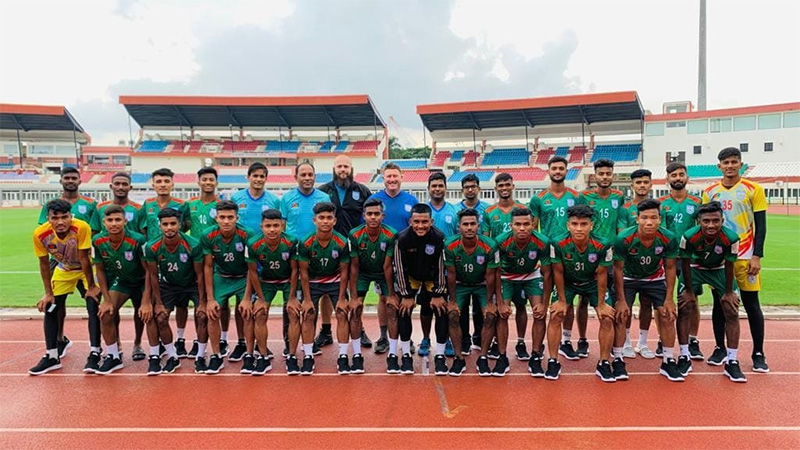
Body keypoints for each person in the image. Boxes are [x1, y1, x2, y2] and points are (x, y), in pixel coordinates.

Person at [702, 147, 768, 373]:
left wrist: (757, 255)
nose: (730, 166)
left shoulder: (754, 189)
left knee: (751, 304)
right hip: (719, 260)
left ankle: (758, 353)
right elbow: (705, 226)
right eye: (726, 162)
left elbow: (761, 226)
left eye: (734, 162)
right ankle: (720, 348)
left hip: (745, 257)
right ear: (719, 166)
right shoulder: (710, 191)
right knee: (720, 304)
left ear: (740, 164)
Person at [546, 205, 624, 382]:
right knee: (556, 315)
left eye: (583, 224)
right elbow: (557, 271)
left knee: (607, 317)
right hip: (567, 283)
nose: (579, 228)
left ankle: (604, 362)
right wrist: (562, 301)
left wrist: (601, 304)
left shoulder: (603, 244)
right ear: (568, 225)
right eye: (575, 224)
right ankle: (553, 361)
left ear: (591, 225)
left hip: (592, 283)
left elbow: (602, 274)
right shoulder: (557, 243)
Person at [36, 167, 100, 367]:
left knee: (93, 303)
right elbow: (43, 263)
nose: (60, 221)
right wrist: (48, 293)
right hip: (63, 265)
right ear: (49, 218)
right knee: (52, 305)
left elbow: (85, 256)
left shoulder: (84, 219)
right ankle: (52, 353)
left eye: (64, 217)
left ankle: (95, 352)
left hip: (86, 264)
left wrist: (92, 286)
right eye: (55, 217)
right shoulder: (41, 231)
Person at [613, 199, 683, 382]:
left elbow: (670, 267)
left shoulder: (668, 237)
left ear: (660, 219)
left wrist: (669, 298)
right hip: (628, 278)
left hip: (654, 278)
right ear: (637, 219)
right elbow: (618, 269)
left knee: (667, 314)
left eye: (653, 218)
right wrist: (621, 299)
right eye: (644, 218)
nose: (649, 222)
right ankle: (618, 359)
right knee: (621, 314)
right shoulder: (624, 238)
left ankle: (668, 360)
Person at [678, 202, 745, 382]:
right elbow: (684, 263)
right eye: (706, 221)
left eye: (716, 221)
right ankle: (684, 356)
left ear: (722, 220)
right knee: (684, 307)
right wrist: (689, 291)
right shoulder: (689, 236)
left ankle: (732, 361)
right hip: (695, 268)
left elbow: (730, 264)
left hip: (719, 269)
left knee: (731, 310)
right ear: (699, 221)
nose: (711, 225)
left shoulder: (731, 238)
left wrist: (729, 292)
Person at [529, 156, 586, 361]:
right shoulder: (538, 199)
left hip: (570, 254)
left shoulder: (576, 196)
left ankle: (566, 341)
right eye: (554, 168)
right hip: (547, 256)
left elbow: (582, 221)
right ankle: (538, 348)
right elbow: (533, 227)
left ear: (566, 171)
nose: (558, 171)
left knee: (567, 301)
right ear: (549, 171)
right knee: (545, 303)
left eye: (561, 168)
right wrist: (536, 254)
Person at [141, 208, 207, 375]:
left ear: (180, 224)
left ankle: (200, 356)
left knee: (202, 315)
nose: (169, 227)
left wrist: (202, 302)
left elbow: (200, 275)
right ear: (160, 225)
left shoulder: (193, 244)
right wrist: (158, 303)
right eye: (165, 224)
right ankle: (172, 356)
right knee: (160, 317)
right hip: (169, 285)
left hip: (192, 284)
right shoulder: (152, 246)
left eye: (173, 223)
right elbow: (153, 276)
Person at [319, 154, 374, 350]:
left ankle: (359, 328)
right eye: (339, 166)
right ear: (334, 169)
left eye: (346, 166)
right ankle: (326, 330)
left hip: (354, 247)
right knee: (326, 289)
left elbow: (369, 218)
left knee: (355, 289)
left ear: (351, 169)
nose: (343, 170)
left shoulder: (363, 191)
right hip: (329, 247)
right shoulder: (323, 191)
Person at [137, 168, 192, 360]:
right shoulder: (147, 204)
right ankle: (159, 344)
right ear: (153, 184)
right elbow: (143, 229)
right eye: (159, 181)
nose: (162, 185)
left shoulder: (182, 205)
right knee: (156, 302)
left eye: (166, 181)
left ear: (172, 184)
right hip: (154, 257)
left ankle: (180, 339)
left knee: (182, 303)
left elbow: (186, 227)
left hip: (175, 256)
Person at [92, 172, 147, 361]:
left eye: (125, 184)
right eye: (117, 183)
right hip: (116, 272)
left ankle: (138, 344)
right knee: (108, 311)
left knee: (142, 311)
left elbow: (143, 234)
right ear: (111, 186)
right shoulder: (100, 209)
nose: (121, 187)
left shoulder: (138, 209)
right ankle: (115, 350)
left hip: (137, 269)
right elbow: (95, 234)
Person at [228, 162, 280, 361]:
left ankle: (260, 343)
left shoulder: (273, 200)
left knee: (261, 302)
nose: (258, 179)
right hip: (241, 255)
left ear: (266, 178)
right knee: (242, 301)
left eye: (262, 176)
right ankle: (242, 342)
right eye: (255, 175)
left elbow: (278, 226)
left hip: (265, 255)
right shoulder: (237, 198)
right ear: (248, 177)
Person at [292, 202, 350, 375]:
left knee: (342, 313)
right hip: (313, 282)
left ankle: (343, 356)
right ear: (314, 220)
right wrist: (307, 299)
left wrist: (342, 298)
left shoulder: (342, 242)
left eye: (329, 218)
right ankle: (308, 356)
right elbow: (303, 272)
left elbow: (345, 272)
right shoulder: (306, 242)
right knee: (308, 314)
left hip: (335, 280)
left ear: (334, 220)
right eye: (321, 218)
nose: (325, 221)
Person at [367, 162, 419, 354]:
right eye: (388, 176)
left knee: (406, 296)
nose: (392, 179)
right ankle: (384, 336)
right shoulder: (374, 200)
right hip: (382, 257)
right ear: (383, 178)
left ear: (401, 177)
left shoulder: (411, 200)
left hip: (406, 257)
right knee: (383, 297)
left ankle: (406, 335)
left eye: (395, 176)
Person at [280, 162, 333, 352]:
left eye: (310, 174)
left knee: (313, 298)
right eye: (303, 174)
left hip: (316, 256)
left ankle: (310, 341)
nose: (307, 178)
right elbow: (282, 228)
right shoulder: (287, 199)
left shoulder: (324, 197)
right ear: (296, 177)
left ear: (315, 176)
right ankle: (289, 341)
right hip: (294, 256)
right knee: (291, 299)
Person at [391, 203, 447, 375]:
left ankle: (440, 355)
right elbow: (399, 267)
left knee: (441, 309)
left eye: (424, 222)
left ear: (431, 222)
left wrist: (438, 293)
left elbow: (441, 267)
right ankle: (406, 355)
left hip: (431, 277)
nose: (420, 226)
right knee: (403, 310)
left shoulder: (439, 237)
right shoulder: (402, 238)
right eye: (416, 222)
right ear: (410, 221)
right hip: (411, 276)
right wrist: (406, 295)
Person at [495, 208, 552, 377]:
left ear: (533, 224)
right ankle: (502, 357)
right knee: (502, 314)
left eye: (526, 224)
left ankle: (535, 357)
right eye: (518, 224)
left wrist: (545, 304)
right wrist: (500, 302)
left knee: (539, 314)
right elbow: (495, 272)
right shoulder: (501, 241)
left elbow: (547, 273)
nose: (522, 228)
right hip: (506, 276)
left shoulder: (542, 242)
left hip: (531, 276)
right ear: (511, 225)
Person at [202, 201, 256, 374]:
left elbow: (252, 268)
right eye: (222, 217)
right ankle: (216, 356)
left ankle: (249, 354)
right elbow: (208, 266)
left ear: (237, 218)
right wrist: (210, 299)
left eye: (230, 217)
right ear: (216, 218)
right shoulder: (208, 235)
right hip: (221, 277)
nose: (226, 221)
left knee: (247, 312)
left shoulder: (247, 234)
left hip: (243, 277)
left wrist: (247, 298)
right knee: (212, 312)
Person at [444, 209, 500, 376]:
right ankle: (459, 358)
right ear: (459, 226)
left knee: (490, 315)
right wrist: (452, 300)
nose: (469, 227)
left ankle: (482, 357)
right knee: (452, 314)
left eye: (472, 224)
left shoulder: (490, 245)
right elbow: (451, 274)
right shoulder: (450, 245)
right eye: (465, 224)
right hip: (460, 284)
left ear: (478, 226)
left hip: (482, 284)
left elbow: (491, 276)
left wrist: (490, 302)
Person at [581, 159, 627, 357]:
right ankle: (582, 339)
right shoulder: (584, 197)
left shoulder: (619, 196)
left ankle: (616, 347)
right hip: (591, 256)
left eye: (608, 173)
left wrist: (620, 249)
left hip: (613, 258)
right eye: (601, 173)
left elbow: (620, 224)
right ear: (595, 176)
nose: (605, 177)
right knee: (583, 300)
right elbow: (581, 222)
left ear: (613, 175)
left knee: (613, 300)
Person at [246, 209, 299, 376]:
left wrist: (292, 297)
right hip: (266, 282)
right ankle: (262, 357)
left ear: (282, 226)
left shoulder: (292, 242)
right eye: (268, 226)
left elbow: (295, 270)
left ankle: (291, 356)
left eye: (276, 225)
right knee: (259, 313)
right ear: (261, 226)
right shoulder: (253, 243)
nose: (272, 229)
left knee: (294, 313)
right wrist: (261, 299)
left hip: (287, 281)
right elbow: (252, 272)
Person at [482, 172, 530, 359]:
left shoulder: (522, 209)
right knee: (499, 307)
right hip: (499, 269)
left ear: (513, 186)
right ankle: (497, 342)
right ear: (496, 188)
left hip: (522, 268)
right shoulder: (489, 212)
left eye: (507, 184)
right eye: (500, 185)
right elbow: (486, 240)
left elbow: (530, 234)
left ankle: (521, 342)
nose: (504, 188)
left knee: (521, 306)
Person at [659, 162, 703, 360]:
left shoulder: (697, 201)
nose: (677, 178)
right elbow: (660, 231)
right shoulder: (661, 203)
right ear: (667, 179)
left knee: (692, 299)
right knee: (663, 300)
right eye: (674, 175)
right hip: (667, 258)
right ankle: (662, 339)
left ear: (687, 177)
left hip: (689, 258)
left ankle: (693, 340)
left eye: (681, 174)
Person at [348, 199, 396, 374]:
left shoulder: (391, 234)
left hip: (383, 272)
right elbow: (354, 266)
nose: (373, 217)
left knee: (392, 308)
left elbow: (388, 266)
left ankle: (392, 354)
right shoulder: (354, 234)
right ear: (364, 216)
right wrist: (354, 297)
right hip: (362, 273)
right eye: (369, 214)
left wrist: (391, 295)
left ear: (383, 216)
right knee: (355, 309)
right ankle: (357, 355)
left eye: (376, 214)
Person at [619, 168, 658, 360]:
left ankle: (642, 343)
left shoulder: (658, 208)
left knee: (646, 304)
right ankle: (626, 342)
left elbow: (660, 234)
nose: (642, 185)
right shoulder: (625, 209)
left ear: (651, 184)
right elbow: (622, 235)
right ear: (632, 185)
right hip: (629, 266)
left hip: (651, 267)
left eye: (645, 182)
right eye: (638, 182)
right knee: (625, 305)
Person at [422, 172, 459, 358]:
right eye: (434, 186)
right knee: (426, 307)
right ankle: (425, 339)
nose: (437, 189)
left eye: (440, 185)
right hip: (425, 267)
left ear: (445, 188)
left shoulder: (453, 211)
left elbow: (458, 238)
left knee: (444, 307)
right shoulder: (422, 210)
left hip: (447, 267)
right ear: (428, 189)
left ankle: (446, 339)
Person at [455, 174, 491, 355]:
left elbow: (488, 235)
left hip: (481, 260)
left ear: (479, 188)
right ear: (462, 190)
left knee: (479, 306)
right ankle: (464, 340)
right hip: (462, 260)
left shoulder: (487, 209)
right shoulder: (455, 209)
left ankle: (478, 337)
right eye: (467, 187)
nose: (470, 189)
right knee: (460, 308)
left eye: (473, 186)